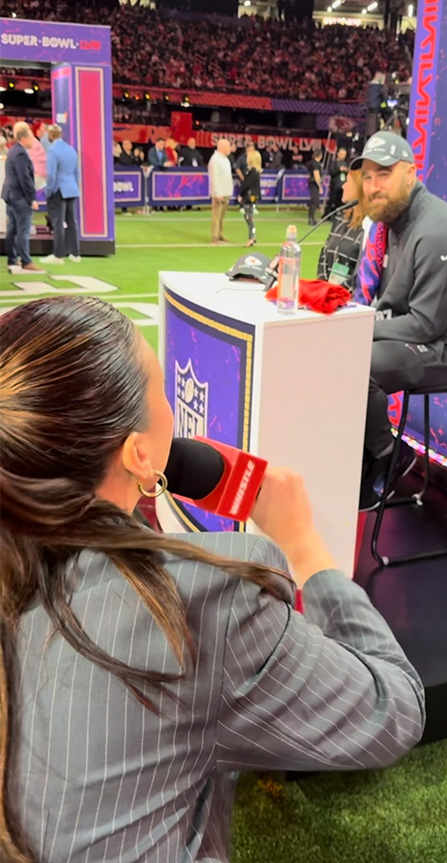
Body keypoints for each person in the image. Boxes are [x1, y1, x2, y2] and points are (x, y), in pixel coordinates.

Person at [0, 296, 425, 863]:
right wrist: (307, 549)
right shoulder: (204, 601)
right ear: (139, 452)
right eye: (160, 392)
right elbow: (392, 710)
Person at [352, 130, 447, 511]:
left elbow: (426, 325)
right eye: (368, 176)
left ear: (410, 173)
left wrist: (359, 327)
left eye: (384, 174)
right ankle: (356, 456)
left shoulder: (437, 230)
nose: (373, 186)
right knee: (332, 351)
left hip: (445, 349)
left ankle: (387, 454)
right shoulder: (392, 222)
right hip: (408, 337)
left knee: (358, 364)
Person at [317, 164, 366, 292]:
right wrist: (322, 287)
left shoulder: (369, 226)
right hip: (326, 296)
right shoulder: (340, 217)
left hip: (349, 301)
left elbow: (363, 271)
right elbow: (324, 254)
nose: (343, 185)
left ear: (359, 188)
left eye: (348, 182)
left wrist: (338, 295)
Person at [2, 122, 43, 275]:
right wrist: (32, 198)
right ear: (24, 137)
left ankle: (13, 259)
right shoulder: (20, 153)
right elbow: (24, 178)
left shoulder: (14, 151)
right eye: (31, 137)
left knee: (12, 229)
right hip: (19, 197)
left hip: (12, 196)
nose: (33, 140)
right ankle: (26, 261)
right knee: (22, 230)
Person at [41, 125, 81, 264]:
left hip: (59, 189)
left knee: (58, 222)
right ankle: (75, 254)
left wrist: (48, 191)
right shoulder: (71, 149)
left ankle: (58, 255)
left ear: (50, 136)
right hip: (71, 188)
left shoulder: (52, 151)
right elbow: (77, 173)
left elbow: (51, 175)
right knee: (71, 221)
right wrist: (75, 186)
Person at [208, 138, 233, 245]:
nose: (230, 149)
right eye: (228, 146)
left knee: (222, 216)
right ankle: (215, 236)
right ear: (222, 147)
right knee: (216, 216)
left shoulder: (225, 159)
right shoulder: (215, 160)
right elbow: (214, 178)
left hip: (226, 191)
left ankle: (220, 233)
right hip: (219, 192)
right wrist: (216, 193)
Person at [238, 146, 262, 247]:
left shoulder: (253, 172)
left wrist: (241, 194)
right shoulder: (255, 172)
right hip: (252, 197)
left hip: (250, 197)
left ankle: (251, 238)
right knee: (249, 217)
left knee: (249, 217)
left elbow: (246, 185)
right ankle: (253, 237)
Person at [323, 146, 349, 217]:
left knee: (341, 201)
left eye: (344, 155)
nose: (343, 156)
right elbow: (331, 172)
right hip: (335, 185)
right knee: (331, 200)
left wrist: (346, 171)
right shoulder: (333, 163)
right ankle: (327, 215)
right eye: (341, 154)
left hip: (343, 185)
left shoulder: (345, 163)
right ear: (338, 154)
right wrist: (339, 170)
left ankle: (338, 214)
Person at [305, 146, 323, 226]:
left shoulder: (311, 163)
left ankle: (311, 218)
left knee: (314, 201)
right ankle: (311, 219)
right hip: (314, 183)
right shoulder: (316, 164)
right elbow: (316, 175)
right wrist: (320, 186)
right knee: (314, 201)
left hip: (311, 182)